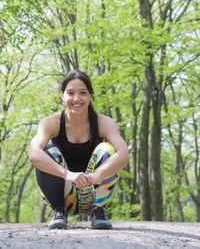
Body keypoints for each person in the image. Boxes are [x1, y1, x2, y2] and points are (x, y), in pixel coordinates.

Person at [28, 70, 129, 230]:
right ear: (62, 95)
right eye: (70, 93)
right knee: (46, 150)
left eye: (83, 93)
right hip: (62, 194)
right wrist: (67, 174)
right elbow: (33, 154)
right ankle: (59, 213)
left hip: (94, 192)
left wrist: (98, 174)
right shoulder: (50, 123)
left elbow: (123, 154)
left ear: (91, 95)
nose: (76, 98)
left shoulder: (104, 123)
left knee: (107, 148)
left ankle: (99, 212)